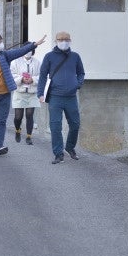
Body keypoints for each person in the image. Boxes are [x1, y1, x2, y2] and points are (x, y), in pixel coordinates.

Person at [0, 32, 46, 156]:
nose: (1, 44)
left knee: (1, 121)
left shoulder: (5, 55)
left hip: (5, 94)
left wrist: (35, 44)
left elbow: (20, 51)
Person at [37, 31, 85, 164]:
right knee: (55, 126)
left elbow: (81, 73)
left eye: (66, 40)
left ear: (70, 41)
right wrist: (40, 93)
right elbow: (42, 75)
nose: (64, 42)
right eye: (61, 40)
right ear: (56, 41)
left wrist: (78, 84)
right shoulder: (49, 56)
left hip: (71, 97)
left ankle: (70, 147)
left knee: (75, 124)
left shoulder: (75, 56)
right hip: (55, 97)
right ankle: (58, 153)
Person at [10, 49, 41, 145]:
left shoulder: (37, 62)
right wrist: (21, 79)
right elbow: (11, 75)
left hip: (32, 93)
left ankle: (29, 136)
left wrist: (33, 79)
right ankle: (17, 130)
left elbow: (41, 75)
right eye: (27, 49)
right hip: (19, 92)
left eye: (31, 50)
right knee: (18, 116)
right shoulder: (15, 62)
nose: (29, 52)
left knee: (29, 114)